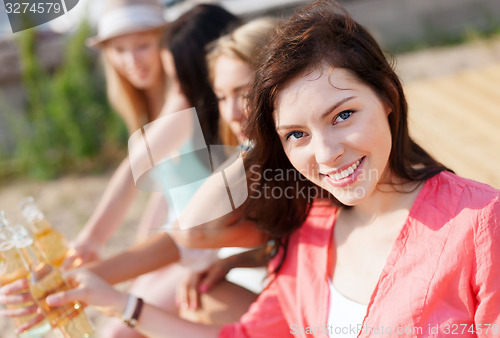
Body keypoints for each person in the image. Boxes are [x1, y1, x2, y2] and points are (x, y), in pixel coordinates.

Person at [8, 0, 500, 337]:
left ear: (389, 98)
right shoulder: (309, 227)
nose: (326, 153)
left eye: (343, 114)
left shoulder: (478, 223)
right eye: (297, 134)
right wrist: (110, 298)